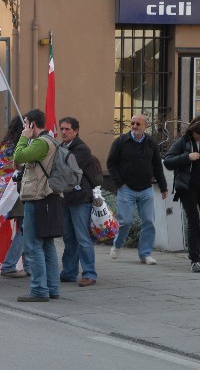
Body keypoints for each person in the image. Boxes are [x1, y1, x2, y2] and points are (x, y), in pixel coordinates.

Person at [13, 109, 61, 302]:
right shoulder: (50, 141)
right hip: (48, 198)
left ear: (33, 124)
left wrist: (23, 138)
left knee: (33, 246)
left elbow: (18, 157)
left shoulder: (42, 142)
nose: (24, 128)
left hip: (38, 198)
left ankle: (39, 289)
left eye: (25, 124)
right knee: (47, 244)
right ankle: (52, 288)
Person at [107, 114, 167, 264]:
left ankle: (145, 254)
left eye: (137, 124)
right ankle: (117, 244)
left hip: (146, 189)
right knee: (125, 222)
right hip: (126, 189)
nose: (134, 126)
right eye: (132, 123)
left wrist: (163, 186)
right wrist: (120, 183)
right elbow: (111, 163)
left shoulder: (151, 143)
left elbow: (157, 166)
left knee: (149, 222)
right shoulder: (121, 141)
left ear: (145, 126)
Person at [58, 117, 98, 287]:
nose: (64, 132)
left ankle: (89, 273)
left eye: (67, 129)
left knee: (82, 238)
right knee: (68, 238)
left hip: (80, 199)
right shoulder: (60, 147)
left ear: (76, 131)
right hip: (65, 199)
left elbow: (68, 170)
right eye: (62, 129)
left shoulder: (82, 149)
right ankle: (69, 272)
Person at [0, 117, 30, 278]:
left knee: (25, 228)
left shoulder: (2, 146)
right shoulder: (21, 146)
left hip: (5, 193)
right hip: (19, 191)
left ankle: (29, 265)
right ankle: (9, 265)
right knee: (25, 229)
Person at [164, 116, 200, 272]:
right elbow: (168, 161)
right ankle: (195, 259)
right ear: (193, 131)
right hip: (187, 188)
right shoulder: (183, 142)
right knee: (193, 220)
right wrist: (187, 157)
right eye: (199, 133)